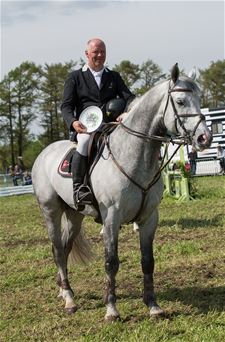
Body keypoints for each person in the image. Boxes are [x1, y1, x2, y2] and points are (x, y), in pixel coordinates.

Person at [61, 38, 135, 209]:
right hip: (86, 127)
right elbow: (66, 106)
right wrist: (73, 122)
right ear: (87, 54)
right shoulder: (75, 77)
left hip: (111, 125)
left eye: (103, 52)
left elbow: (129, 98)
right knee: (85, 141)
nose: (100, 55)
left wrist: (127, 112)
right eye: (96, 52)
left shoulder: (114, 76)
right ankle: (79, 188)